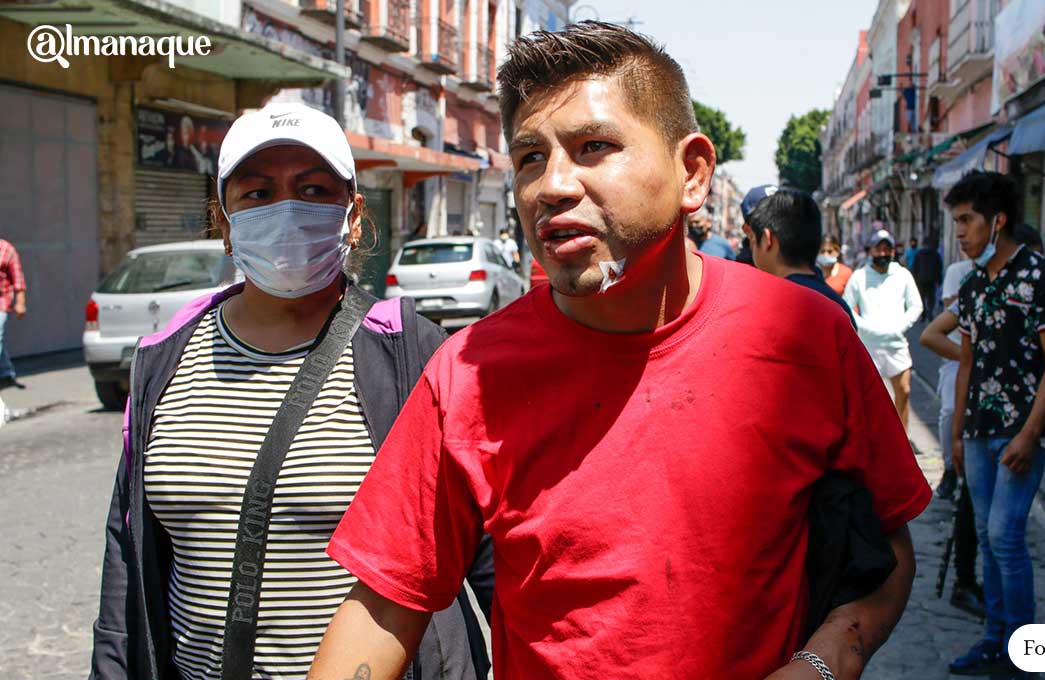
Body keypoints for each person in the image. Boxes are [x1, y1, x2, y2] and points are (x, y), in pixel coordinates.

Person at [310, 21, 931, 680]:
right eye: (529, 157)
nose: (551, 185)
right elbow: (384, 605)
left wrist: (830, 655)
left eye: (593, 146)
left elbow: (886, 546)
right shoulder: (467, 374)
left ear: (692, 173)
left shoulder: (808, 336)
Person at [88, 103, 491, 680]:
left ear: (353, 216)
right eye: (257, 193)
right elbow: (127, 561)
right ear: (224, 222)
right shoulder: (162, 360)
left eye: (312, 189)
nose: (285, 212)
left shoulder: (414, 356)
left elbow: (490, 560)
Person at [946, 171, 1045, 676]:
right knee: (985, 531)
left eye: (967, 220)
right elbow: (968, 363)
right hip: (977, 428)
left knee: (1005, 535)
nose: (960, 232)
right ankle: (995, 641)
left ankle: (1022, 650)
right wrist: (955, 431)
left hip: (1022, 430)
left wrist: (1030, 433)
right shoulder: (974, 284)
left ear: (997, 221)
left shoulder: (1041, 277)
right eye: (956, 221)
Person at [918, 305, 985, 620]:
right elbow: (930, 334)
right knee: (970, 507)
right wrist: (971, 357)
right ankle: (966, 580)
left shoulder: (1039, 284)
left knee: (1002, 529)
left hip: (1019, 420)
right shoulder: (975, 289)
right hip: (977, 412)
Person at [843, 228, 923, 431]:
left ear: (893, 251)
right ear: (871, 251)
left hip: (896, 344)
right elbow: (847, 306)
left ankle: (902, 438)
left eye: (887, 248)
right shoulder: (859, 277)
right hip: (869, 346)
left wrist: (901, 325)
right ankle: (871, 440)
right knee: (869, 398)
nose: (883, 253)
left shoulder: (903, 275)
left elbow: (916, 305)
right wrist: (864, 326)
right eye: (879, 249)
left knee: (904, 391)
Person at [743, 188, 855, 327]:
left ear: (767, 239)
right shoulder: (840, 308)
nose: (751, 247)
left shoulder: (763, 308)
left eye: (752, 239)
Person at [926, 254, 975, 500]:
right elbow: (946, 312)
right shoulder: (959, 271)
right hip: (957, 354)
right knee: (949, 410)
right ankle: (949, 468)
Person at [0, 237, 26, 390]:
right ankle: (6, 373)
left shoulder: (6, 249)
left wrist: (20, 302)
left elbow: (18, 280)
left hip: (1, 301)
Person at [911, 236, 944, 321]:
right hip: (931, 279)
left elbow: (915, 267)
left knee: (921, 297)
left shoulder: (919, 254)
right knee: (931, 297)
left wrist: (914, 278)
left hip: (920, 279)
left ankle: (923, 313)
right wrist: (939, 279)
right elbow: (939, 267)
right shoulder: (935, 254)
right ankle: (930, 312)